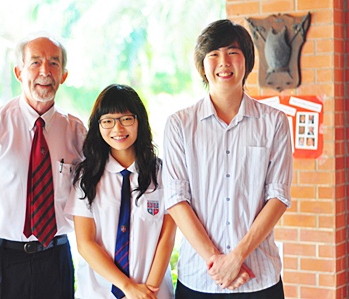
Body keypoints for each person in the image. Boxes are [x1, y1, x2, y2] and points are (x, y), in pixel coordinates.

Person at [0, 32, 86, 298]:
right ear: (19, 72)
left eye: (54, 63)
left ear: (64, 75)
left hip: (54, 260)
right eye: (35, 62)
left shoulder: (76, 131)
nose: (45, 70)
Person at [162, 19, 293, 298]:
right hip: (199, 278)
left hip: (260, 277)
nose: (224, 62)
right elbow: (176, 199)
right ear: (202, 65)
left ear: (247, 60)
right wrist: (217, 262)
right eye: (214, 54)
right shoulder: (179, 125)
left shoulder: (274, 122)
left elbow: (278, 196)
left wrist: (236, 258)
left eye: (233, 52)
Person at [65, 84, 176, 299]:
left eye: (126, 119)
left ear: (139, 121)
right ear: (98, 126)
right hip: (98, 293)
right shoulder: (86, 177)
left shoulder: (162, 174)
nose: (117, 129)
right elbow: (85, 243)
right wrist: (128, 288)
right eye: (108, 121)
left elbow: (167, 238)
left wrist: (145, 293)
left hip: (151, 294)